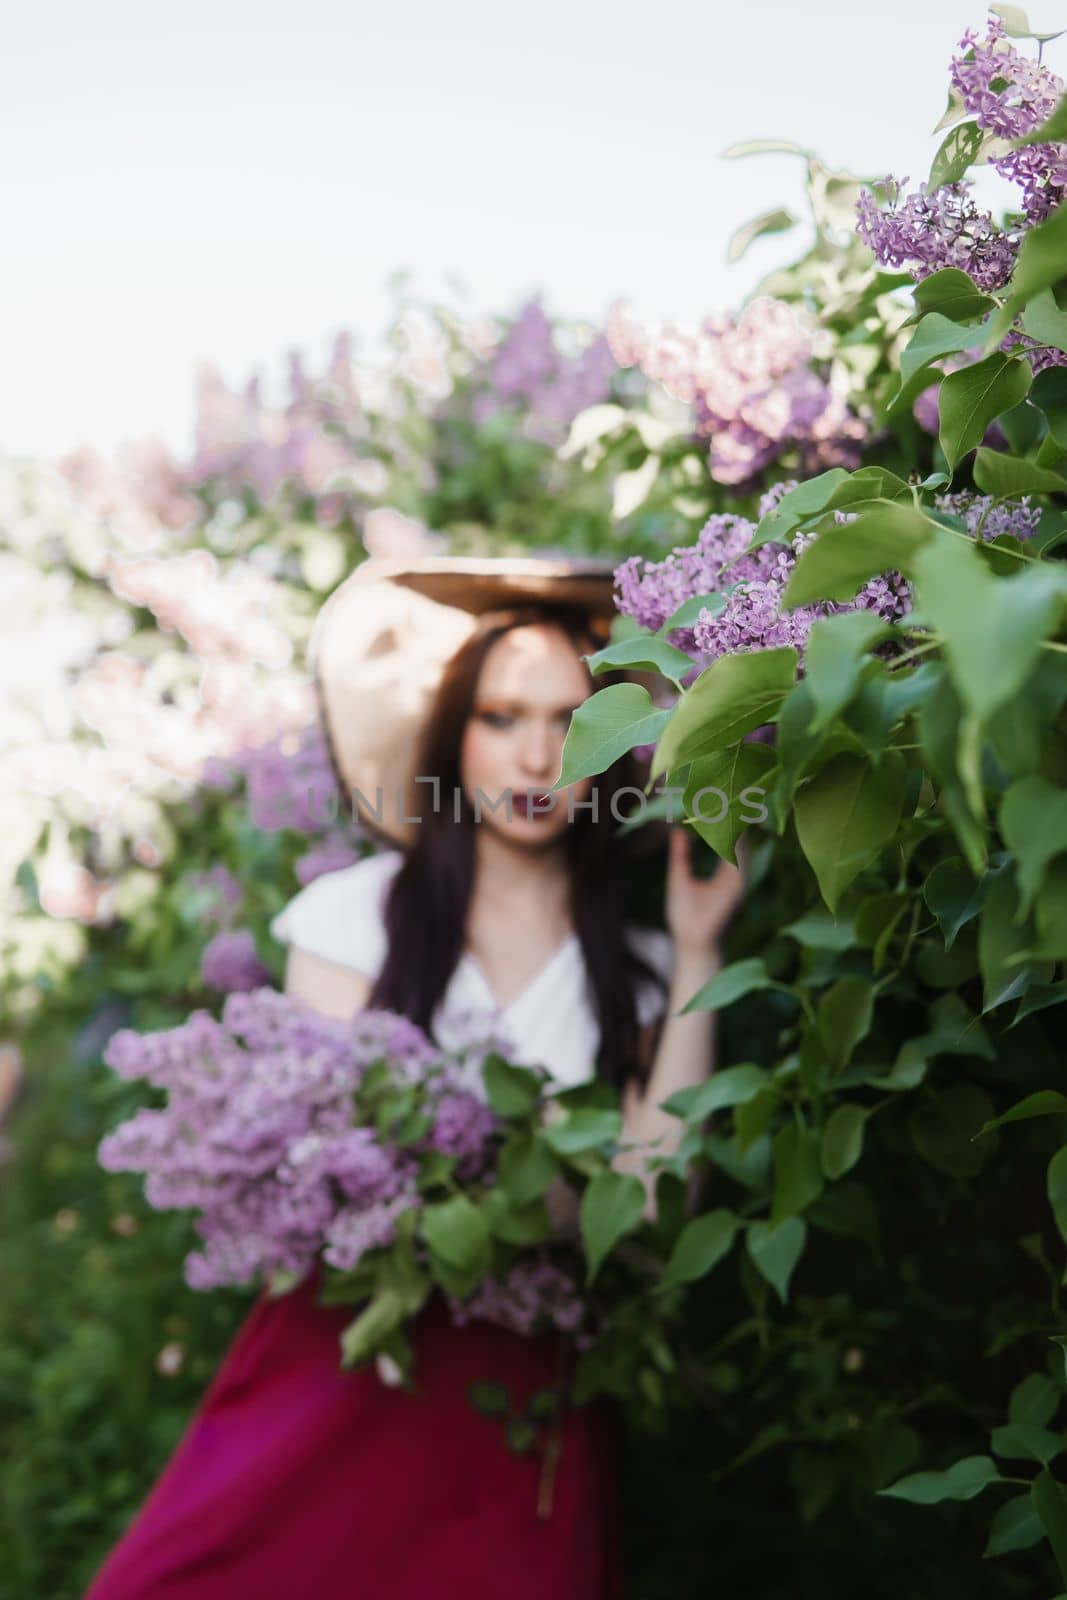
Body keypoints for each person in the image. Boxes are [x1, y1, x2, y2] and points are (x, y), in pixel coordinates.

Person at [84, 555, 746, 1599]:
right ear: (453, 734)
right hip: (346, 1363)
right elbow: (327, 1174)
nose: (537, 754)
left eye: (571, 721)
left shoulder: (645, 967)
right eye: (500, 716)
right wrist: (549, 1181)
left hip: (524, 1399)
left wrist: (701, 948)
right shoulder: (352, 919)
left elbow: (656, 1209)